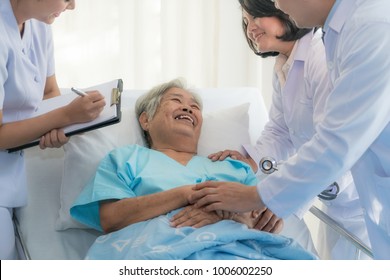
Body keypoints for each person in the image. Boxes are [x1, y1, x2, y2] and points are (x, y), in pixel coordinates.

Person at [191, 0, 390, 260]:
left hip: (350, 194)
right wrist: (252, 162)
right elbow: (280, 131)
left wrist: (262, 197)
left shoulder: (363, 29)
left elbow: (335, 140)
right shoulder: (308, 52)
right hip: (349, 199)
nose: (277, 3)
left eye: (256, 16)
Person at [69, 79, 316, 260]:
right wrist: (185, 194)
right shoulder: (126, 158)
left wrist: (224, 216)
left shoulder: (232, 168)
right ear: (146, 120)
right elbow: (111, 219)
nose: (188, 108)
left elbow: (268, 222)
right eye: (176, 101)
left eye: (195, 106)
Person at [0, 0, 106, 259]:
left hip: (10, 178)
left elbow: (49, 92)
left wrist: (59, 124)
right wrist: (65, 115)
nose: (72, 6)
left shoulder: (40, 25)